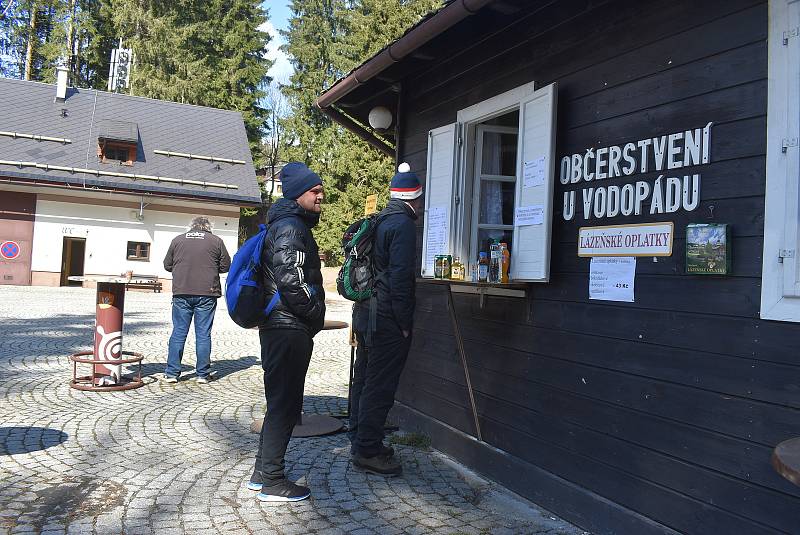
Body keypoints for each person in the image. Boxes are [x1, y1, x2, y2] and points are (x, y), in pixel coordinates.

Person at [249, 162, 326, 502]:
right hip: (287, 326)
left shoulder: (283, 223)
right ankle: (273, 482)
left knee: (279, 402)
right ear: (298, 195)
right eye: (315, 190)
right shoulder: (292, 226)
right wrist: (313, 316)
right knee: (284, 405)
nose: (321, 194)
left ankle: (261, 472)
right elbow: (291, 279)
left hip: (280, 326)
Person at [349, 163, 423, 476]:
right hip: (388, 317)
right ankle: (368, 450)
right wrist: (405, 322)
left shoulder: (378, 219)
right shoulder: (403, 225)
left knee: (364, 379)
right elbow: (400, 278)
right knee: (380, 384)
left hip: (366, 312)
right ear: (414, 198)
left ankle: (361, 439)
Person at [162, 216, 231, 383]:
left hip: (181, 292)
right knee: (203, 334)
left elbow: (167, 265)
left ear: (191, 227)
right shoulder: (216, 241)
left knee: (178, 332)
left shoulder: (177, 240)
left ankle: (172, 373)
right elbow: (226, 266)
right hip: (207, 293)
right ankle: (202, 374)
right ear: (208, 227)